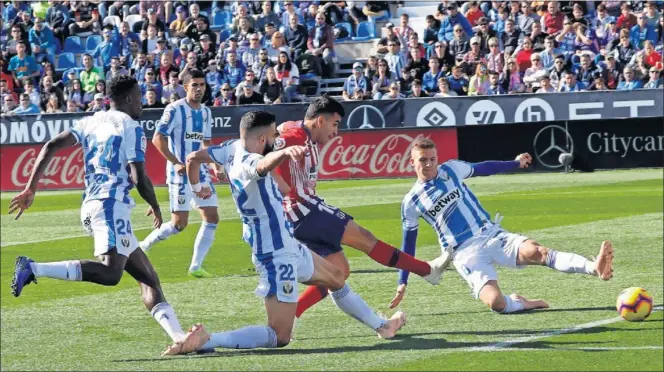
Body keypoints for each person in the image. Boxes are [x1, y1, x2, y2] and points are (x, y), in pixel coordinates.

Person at [165, 111, 406, 355]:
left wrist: (198, 188)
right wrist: (284, 153)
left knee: (335, 276)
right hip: (274, 254)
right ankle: (209, 339)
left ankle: (383, 326)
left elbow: (193, 157)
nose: (277, 138)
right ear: (261, 140)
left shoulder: (230, 148)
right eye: (273, 135)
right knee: (280, 336)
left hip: (286, 243)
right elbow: (261, 165)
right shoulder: (248, 161)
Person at [9, 75, 207, 356]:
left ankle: (180, 340)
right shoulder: (131, 127)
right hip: (109, 205)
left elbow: (50, 146)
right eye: (139, 96)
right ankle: (33, 267)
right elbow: (138, 175)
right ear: (127, 98)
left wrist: (31, 187)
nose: (141, 102)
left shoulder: (90, 121)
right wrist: (156, 204)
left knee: (148, 278)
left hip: (95, 205)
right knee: (111, 273)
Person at [272, 97, 450, 326]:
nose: (336, 132)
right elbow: (263, 152)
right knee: (365, 239)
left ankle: (293, 313)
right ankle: (427, 270)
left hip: (299, 216)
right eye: (334, 124)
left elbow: (279, 130)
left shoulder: (295, 129)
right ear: (320, 120)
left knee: (339, 272)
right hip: (305, 211)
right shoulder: (296, 136)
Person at [388, 138, 614, 313]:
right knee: (496, 303)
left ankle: (594, 267)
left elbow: (484, 167)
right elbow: (408, 244)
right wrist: (402, 281)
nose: (428, 164)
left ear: (437, 158)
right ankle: (520, 303)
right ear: (412, 162)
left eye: (432, 159)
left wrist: (515, 163)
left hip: (489, 233)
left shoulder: (451, 170)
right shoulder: (411, 202)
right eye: (422, 160)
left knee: (536, 251)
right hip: (463, 253)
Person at [139, 70, 218, 278]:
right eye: (195, 85)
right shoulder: (174, 109)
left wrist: (214, 165)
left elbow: (206, 143)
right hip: (180, 175)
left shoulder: (207, 113)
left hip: (200, 172)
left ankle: (195, 266)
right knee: (179, 225)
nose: (199, 88)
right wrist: (174, 162)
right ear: (186, 87)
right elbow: (157, 138)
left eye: (202, 84)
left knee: (212, 216)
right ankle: (143, 245)